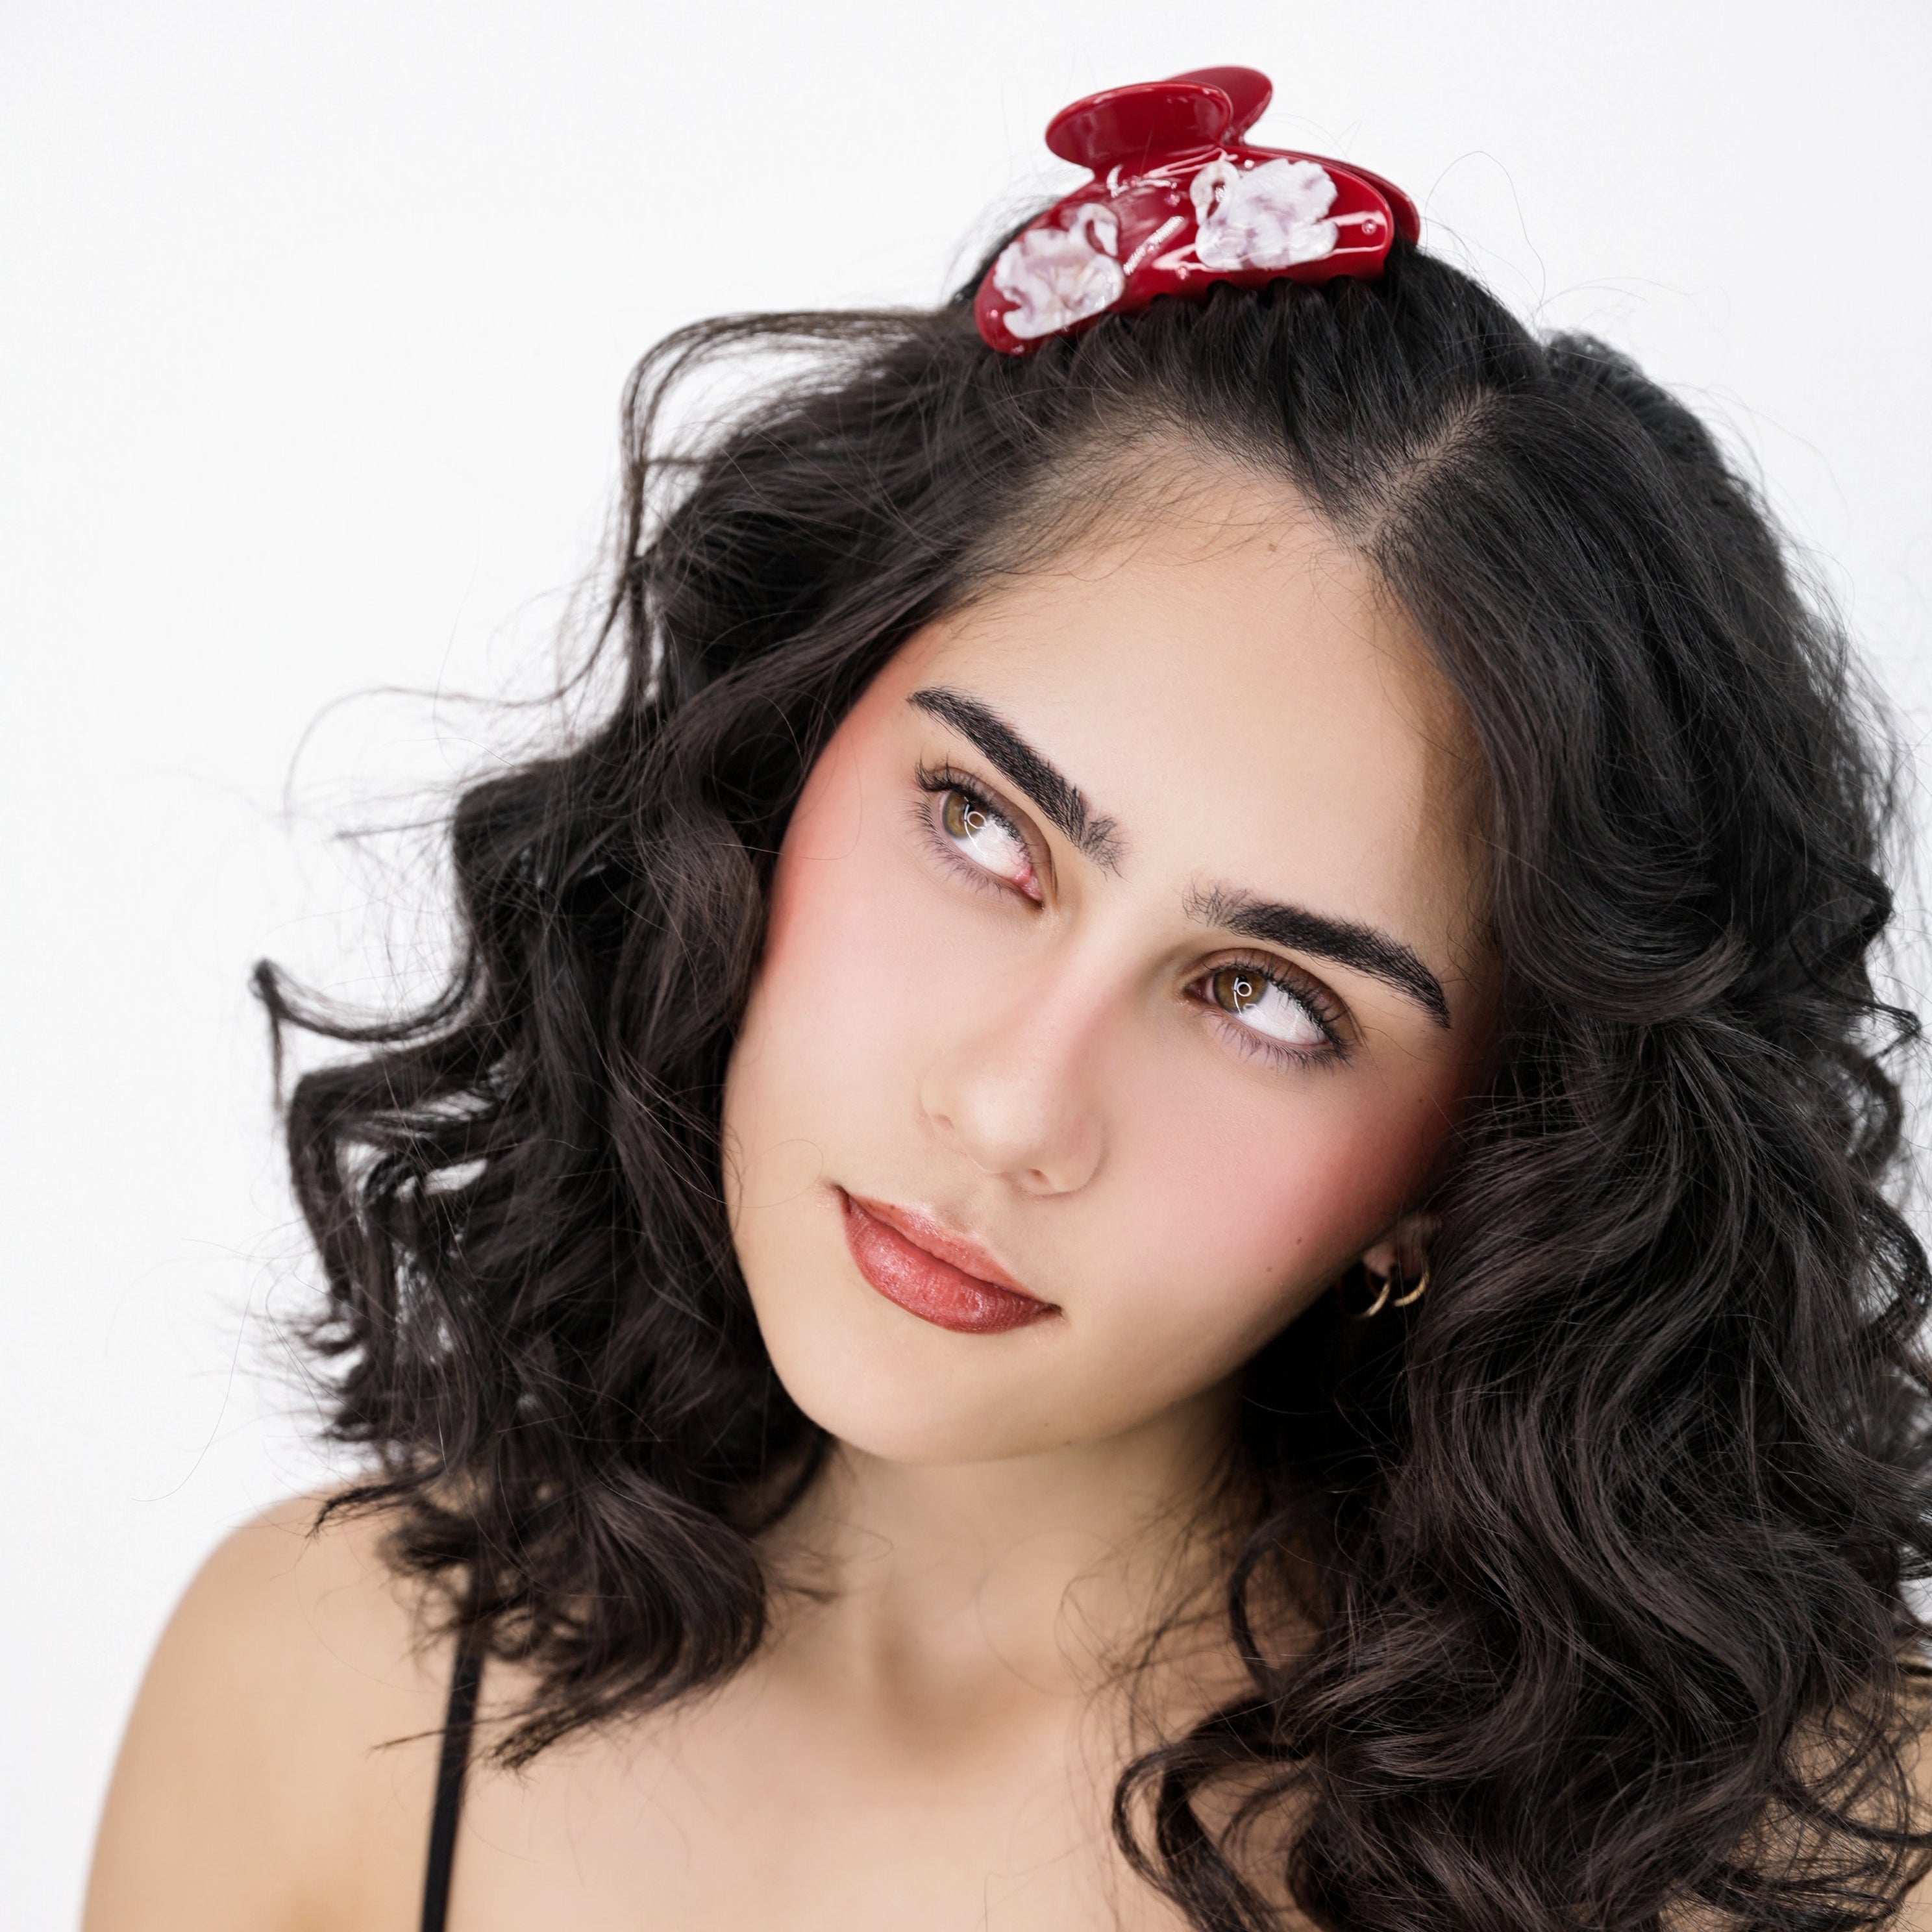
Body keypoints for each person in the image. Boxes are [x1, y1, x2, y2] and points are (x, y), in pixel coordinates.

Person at [82, 66, 1932, 1932]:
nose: (1011, 1108)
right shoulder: (319, 1695)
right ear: (779, 762)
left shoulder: (1818, 1855)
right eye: (982, 831)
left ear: (1473, 1158)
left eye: (1266, 998)